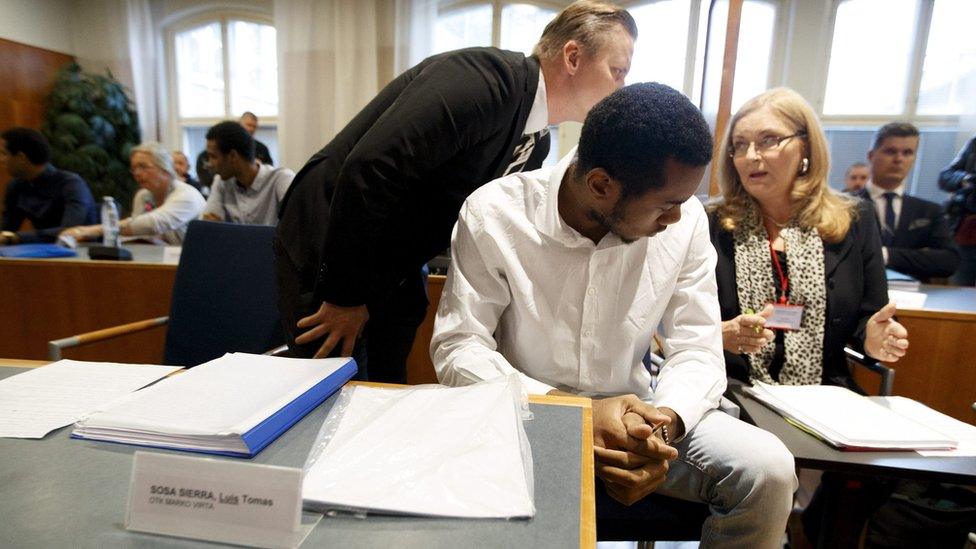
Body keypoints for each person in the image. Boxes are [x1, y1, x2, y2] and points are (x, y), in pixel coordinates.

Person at [432, 83, 796, 549]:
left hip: (643, 419)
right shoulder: (495, 212)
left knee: (768, 471)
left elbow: (697, 349)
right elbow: (459, 345)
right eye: (666, 205)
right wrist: (577, 415)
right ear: (601, 185)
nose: (676, 220)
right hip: (525, 414)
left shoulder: (685, 226)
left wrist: (660, 426)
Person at [276, 0, 637, 383]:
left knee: (387, 386)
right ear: (573, 56)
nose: (622, 86)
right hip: (330, 246)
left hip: (394, 265)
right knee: (336, 397)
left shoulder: (535, 144)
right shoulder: (485, 80)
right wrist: (345, 295)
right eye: (618, 71)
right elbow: (370, 170)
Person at [709, 88, 909, 390]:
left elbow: (868, 318)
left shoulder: (855, 218)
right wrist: (720, 333)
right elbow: (679, 324)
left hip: (825, 392)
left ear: (805, 147)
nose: (751, 156)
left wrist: (873, 338)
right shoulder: (710, 222)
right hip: (732, 387)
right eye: (739, 145)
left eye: (768, 141)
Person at [851, 122, 959, 281]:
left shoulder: (929, 212)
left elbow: (949, 261)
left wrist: (886, 255)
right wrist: (920, 256)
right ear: (871, 155)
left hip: (916, 297)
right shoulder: (844, 205)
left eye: (907, 152)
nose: (898, 159)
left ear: (914, 158)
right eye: (890, 151)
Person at [60, 142, 205, 245]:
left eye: (143, 167)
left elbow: (153, 224)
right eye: (134, 168)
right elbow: (139, 231)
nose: (137, 174)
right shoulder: (143, 196)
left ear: (165, 168)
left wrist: (92, 230)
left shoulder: (187, 195)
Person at [0, 127, 97, 245]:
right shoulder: (16, 186)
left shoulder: (71, 184)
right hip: (42, 253)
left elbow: (69, 232)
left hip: (83, 254)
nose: (2, 160)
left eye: (4, 153)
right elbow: (6, 230)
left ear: (21, 158)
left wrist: (16, 237)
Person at [201, 121, 294, 225]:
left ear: (233, 156)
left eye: (213, 156)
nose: (210, 164)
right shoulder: (221, 182)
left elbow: (298, 227)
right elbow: (210, 226)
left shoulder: (281, 179)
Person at [939, 134, 976, 286]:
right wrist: (966, 179)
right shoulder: (974, 144)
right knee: (958, 292)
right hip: (966, 233)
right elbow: (945, 177)